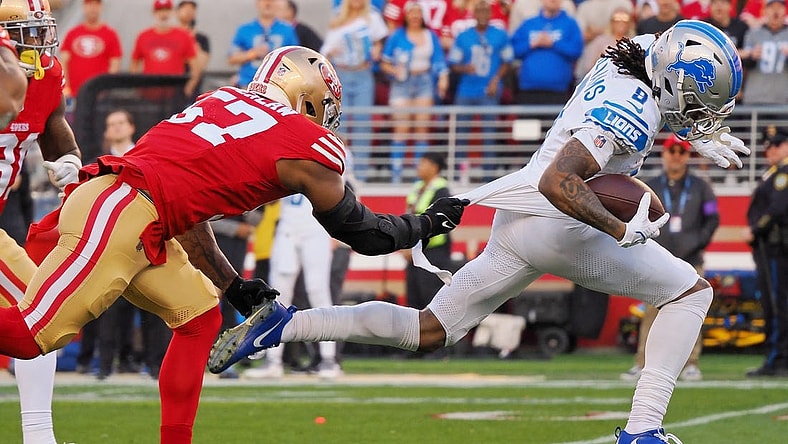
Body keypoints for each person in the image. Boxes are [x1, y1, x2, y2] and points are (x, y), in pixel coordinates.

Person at [209, 21, 749, 444]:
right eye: (699, 101)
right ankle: (643, 430)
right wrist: (619, 227)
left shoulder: (644, 54)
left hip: (518, 224)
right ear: (675, 82)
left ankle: (284, 325)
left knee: (432, 328)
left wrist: (687, 126)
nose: (702, 113)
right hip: (558, 222)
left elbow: (660, 79)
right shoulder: (628, 106)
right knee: (688, 292)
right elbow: (560, 181)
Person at [0, 46, 467, 444]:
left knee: (200, 318)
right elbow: (362, 232)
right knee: (28, 337)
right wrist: (423, 224)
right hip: (123, 209)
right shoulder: (303, 142)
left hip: (137, 207)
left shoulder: (220, 100)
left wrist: (231, 286)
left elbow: (186, 209)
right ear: (308, 97)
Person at [0, 1, 84, 442]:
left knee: (41, 315)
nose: (39, 42)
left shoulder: (46, 76)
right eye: (26, 32)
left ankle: (38, 436)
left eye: (42, 31)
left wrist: (69, 162)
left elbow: (55, 125)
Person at [620, 134, 721, 383]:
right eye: (671, 151)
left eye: (681, 152)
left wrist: (698, 242)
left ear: (687, 156)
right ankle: (642, 362)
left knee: (691, 312)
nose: (676, 156)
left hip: (690, 259)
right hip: (656, 257)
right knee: (651, 313)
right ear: (664, 154)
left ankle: (691, 363)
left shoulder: (700, 187)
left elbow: (712, 219)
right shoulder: (650, 185)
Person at [245, 194, 343, 379]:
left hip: (316, 228)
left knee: (318, 291)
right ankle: (273, 359)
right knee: (277, 296)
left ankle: (329, 358)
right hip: (288, 229)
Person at [380, 2, 449, 183]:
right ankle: (396, 174)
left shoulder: (430, 35)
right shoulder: (397, 35)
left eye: (419, 12)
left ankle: (421, 175)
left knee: (421, 129)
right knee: (401, 129)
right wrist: (395, 71)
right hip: (402, 83)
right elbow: (384, 62)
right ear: (406, 15)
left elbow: (440, 60)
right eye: (412, 12)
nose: (415, 16)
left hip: (424, 81)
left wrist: (443, 78)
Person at [321, 0, 388, 182]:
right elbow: (325, 49)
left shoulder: (372, 17)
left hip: (362, 73)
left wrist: (376, 50)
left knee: (362, 123)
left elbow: (379, 43)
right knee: (340, 122)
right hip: (341, 71)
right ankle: (339, 170)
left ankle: (361, 174)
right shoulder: (338, 19)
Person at [447, 0, 513, 181]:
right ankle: (461, 173)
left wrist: (496, 79)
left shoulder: (499, 35)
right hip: (467, 89)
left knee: (489, 134)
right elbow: (453, 63)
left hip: (489, 90)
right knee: (461, 133)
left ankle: (488, 175)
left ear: (491, 14)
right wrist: (464, 68)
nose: (483, 14)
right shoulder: (464, 36)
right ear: (474, 14)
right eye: (479, 11)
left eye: (486, 11)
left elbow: (507, 61)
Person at [745, 126, 788, 377]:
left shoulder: (782, 174)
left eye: (775, 145)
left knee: (776, 302)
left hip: (774, 248)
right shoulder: (773, 173)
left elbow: (778, 208)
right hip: (771, 247)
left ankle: (777, 357)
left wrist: (755, 229)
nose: (769, 150)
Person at [403, 152, 453, 311]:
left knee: (429, 300)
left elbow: (438, 223)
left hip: (433, 254)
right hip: (414, 253)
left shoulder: (441, 190)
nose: (419, 166)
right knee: (413, 300)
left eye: (423, 163)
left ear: (434, 167)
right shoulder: (417, 188)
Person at [511, 0, 583, 105]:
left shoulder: (570, 24)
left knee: (554, 121)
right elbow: (514, 51)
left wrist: (553, 43)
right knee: (528, 122)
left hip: (558, 91)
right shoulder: (529, 23)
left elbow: (577, 51)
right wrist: (532, 44)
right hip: (528, 90)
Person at [130, 0, 201, 97]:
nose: (163, 14)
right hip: (149, 91)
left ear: (172, 12)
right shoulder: (143, 36)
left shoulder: (184, 36)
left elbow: (195, 67)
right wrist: (138, 87)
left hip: (175, 92)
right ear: (154, 13)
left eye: (166, 10)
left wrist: (188, 89)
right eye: (160, 10)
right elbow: (134, 64)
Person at [58, 0, 122, 100]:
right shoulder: (73, 33)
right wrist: (66, 88)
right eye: (89, 4)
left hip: (99, 96)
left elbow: (115, 65)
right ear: (84, 7)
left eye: (96, 4)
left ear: (101, 7)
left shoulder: (110, 34)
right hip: (74, 95)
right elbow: (63, 62)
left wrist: (105, 89)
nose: (93, 8)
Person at [227, 0, 299, 88]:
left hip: (277, 87)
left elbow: (295, 59)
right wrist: (252, 54)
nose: (267, 4)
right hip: (248, 84)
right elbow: (232, 58)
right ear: (257, 3)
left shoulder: (287, 29)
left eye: (271, 1)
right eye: (264, 1)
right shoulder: (244, 29)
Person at [739, 0, 788, 105]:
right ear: (765, 11)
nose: (776, 11)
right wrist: (751, 56)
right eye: (772, 8)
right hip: (755, 97)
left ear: (784, 10)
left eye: (779, 7)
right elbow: (742, 64)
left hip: (783, 99)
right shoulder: (753, 33)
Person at [175, 0, 210, 98]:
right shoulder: (171, 36)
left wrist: (192, 42)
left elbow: (202, 64)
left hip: (193, 87)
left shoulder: (201, 39)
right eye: (185, 8)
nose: (188, 12)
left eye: (191, 9)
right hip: (173, 84)